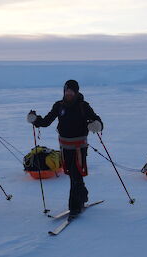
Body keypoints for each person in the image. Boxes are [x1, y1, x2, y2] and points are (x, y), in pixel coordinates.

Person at [27, 80, 103, 220]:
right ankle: (83, 195)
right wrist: (34, 120)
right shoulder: (59, 106)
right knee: (73, 175)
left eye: (71, 92)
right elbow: (46, 122)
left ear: (76, 92)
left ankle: (74, 207)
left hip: (79, 148)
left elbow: (97, 120)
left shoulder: (83, 106)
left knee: (75, 175)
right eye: (67, 91)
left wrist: (96, 125)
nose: (68, 94)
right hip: (64, 147)